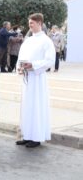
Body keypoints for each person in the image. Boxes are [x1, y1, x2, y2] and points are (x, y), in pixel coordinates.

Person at [16, 13, 55, 148]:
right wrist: (20, 67)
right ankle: (27, 135)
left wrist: (33, 65)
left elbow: (50, 60)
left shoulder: (46, 41)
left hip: (37, 79)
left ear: (39, 23)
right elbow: (21, 57)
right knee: (27, 107)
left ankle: (36, 137)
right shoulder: (28, 40)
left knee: (36, 107)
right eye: (29, 23)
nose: (29, 25)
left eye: (32, 23)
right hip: (27, 78)